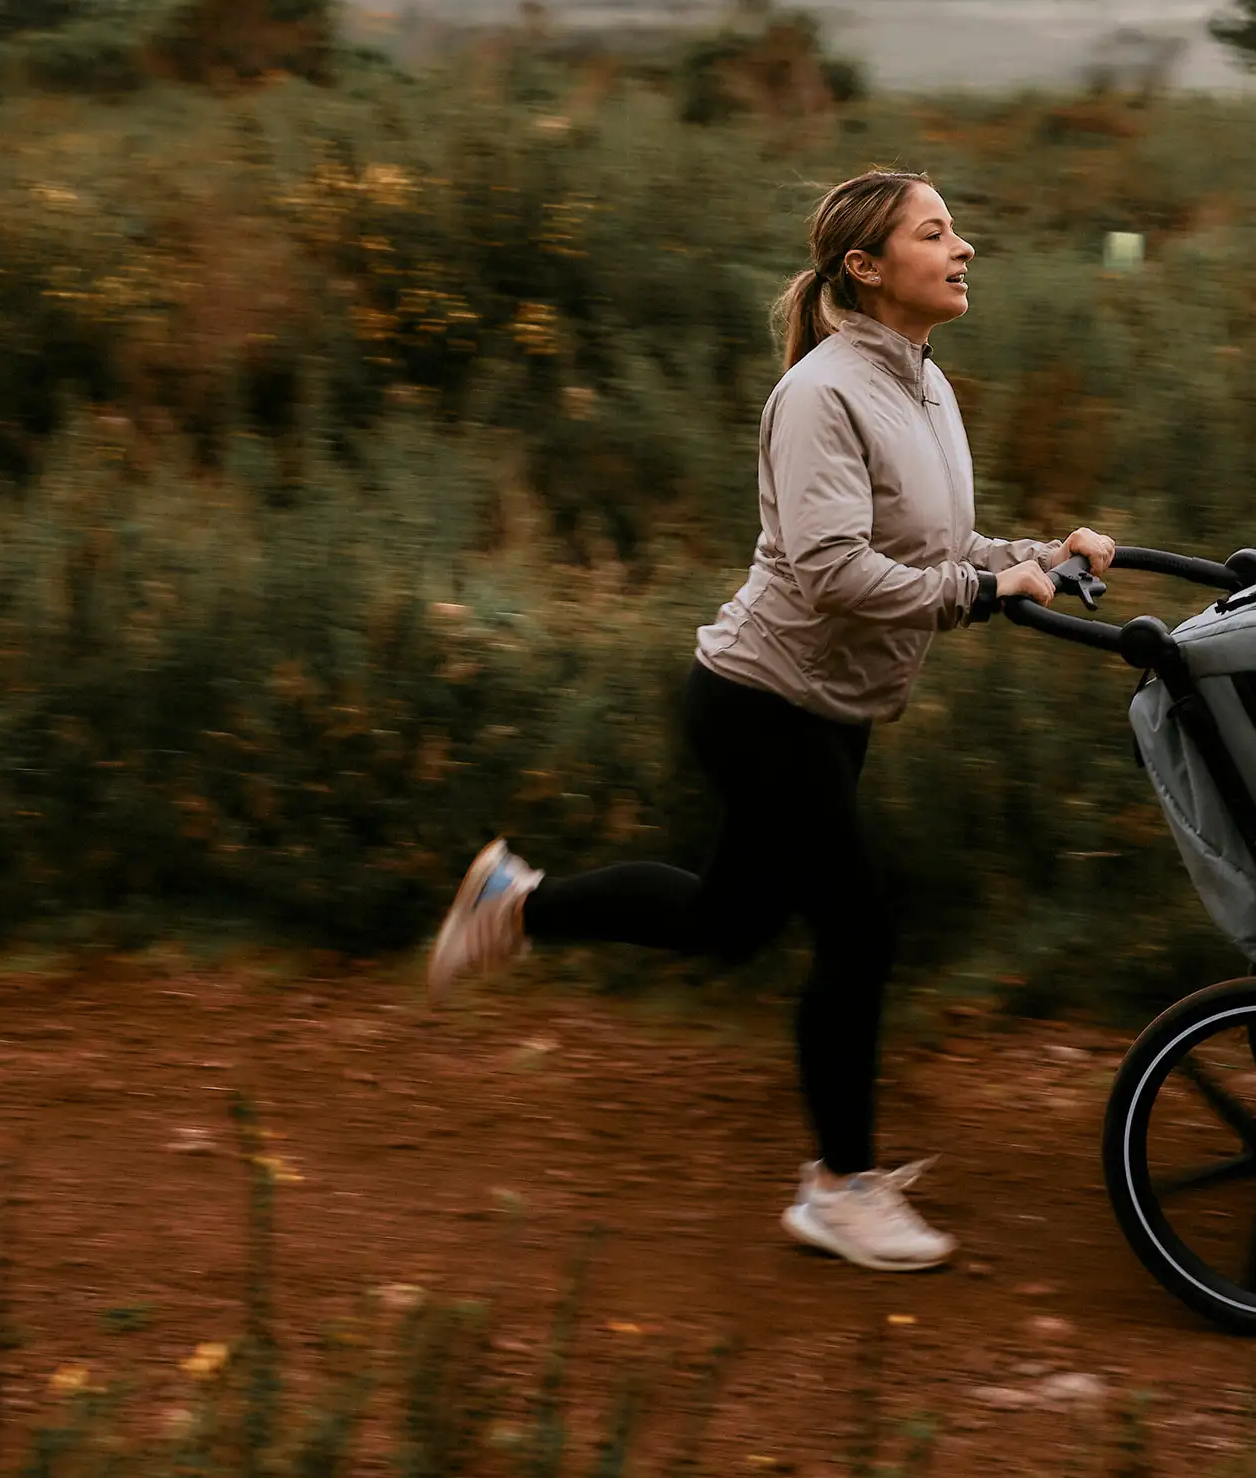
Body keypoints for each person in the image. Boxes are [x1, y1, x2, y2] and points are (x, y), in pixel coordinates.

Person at [426, 168, 1112, 1272]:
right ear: (866, 266)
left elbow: (935, 549)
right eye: (935, 233)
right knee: (860, 929)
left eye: (956, 231)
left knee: (728, 921)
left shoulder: (924, 386)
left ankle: (519, 903)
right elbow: (837, 571)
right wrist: (983, 595)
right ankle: (838, 1187)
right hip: (760, 703)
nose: (964, 247)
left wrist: (1034, 557)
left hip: (830, 711)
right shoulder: (821, 395)